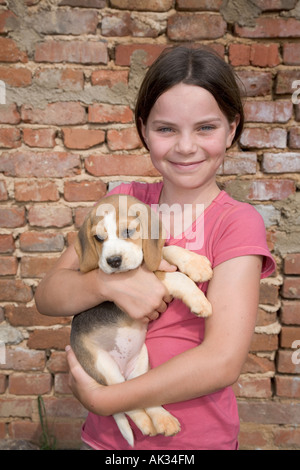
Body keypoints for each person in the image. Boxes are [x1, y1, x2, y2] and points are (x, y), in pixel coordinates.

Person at [35, 45, 275, 450]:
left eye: (205, 128)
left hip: (195, 442)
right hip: (108, 443)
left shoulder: (235, 223)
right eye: (166, 129)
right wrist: (107, 286)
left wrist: (106, 398)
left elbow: (222, 360)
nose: (185, 146)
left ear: (232, 128)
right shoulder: (122, 200)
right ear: (144, 128)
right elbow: (48, 294)